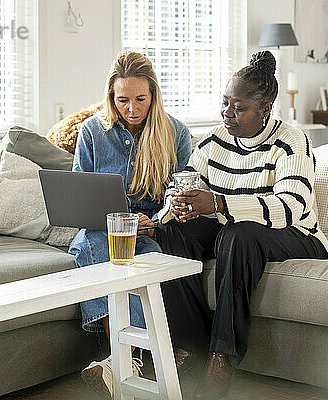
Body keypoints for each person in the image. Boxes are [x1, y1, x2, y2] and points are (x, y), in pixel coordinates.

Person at [154, 51, 328, 399]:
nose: (227, 113)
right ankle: (190, 346)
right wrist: (177, 204)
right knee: (172, 230)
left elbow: (292, 207)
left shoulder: (291, 140)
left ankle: (223, 358)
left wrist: (219, 202)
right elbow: (188, 178)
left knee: (237, 234)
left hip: (296, 234)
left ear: (265, 109)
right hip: (233, 230)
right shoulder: (213, 138)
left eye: (239, 107)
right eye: (224, 103)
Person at [68, 51, 191, 398]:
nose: (132, 109)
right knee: (89, 245)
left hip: (150, 227)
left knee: (146, 257)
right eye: (122, 100)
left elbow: (179, 194)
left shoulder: (175, 133)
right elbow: (81, 189)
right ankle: (126, 359)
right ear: (111, 97)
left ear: (153, 94)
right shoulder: (93, 130)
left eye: (140, 99)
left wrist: (152, 221)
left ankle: (119, 360)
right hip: (101, 227)